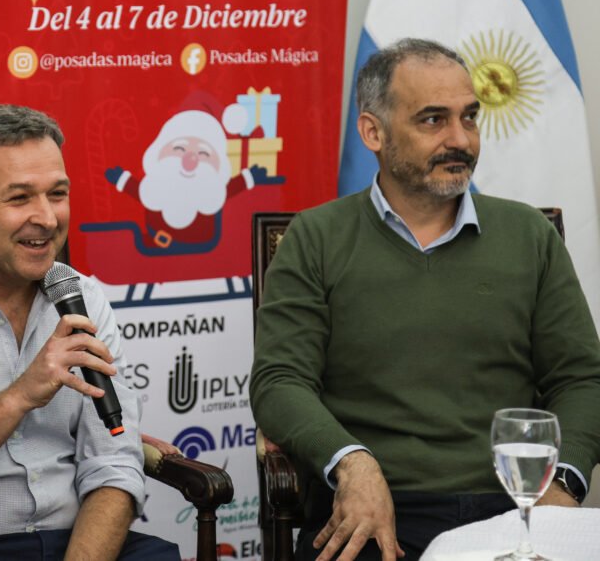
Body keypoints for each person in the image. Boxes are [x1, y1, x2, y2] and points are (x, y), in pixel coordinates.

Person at [250, 38, 600, 561]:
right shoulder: (316, 237)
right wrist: (352, 464)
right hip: (373, 505)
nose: (460, 139)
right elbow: (280, 380)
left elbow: (581, 378)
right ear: (373, 132)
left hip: (511, 504)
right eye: (433, 120)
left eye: (469, 117)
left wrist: (561, 486)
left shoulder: (528, 234)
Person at [0, 105, 179, 560]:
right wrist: (20, 396)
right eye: (19, 198)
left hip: (74, 542)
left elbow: (114, 463)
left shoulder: (81, 297)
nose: (47, 218)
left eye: (57, 194)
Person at [105, 108, 283, 251]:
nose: (190, 159)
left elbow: (227, 190)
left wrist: (248, 177)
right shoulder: (155, 187)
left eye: (204, 153)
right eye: (179, 149)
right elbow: (144, 192)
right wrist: (123, 180)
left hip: (200, 244)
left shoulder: (212, 189)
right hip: (156, 240)